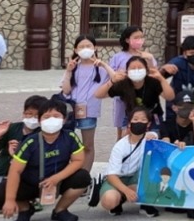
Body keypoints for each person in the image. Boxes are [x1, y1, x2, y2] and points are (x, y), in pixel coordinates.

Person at [0, 99, 92, 221]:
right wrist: (10, 200)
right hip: (31, 184)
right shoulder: (30, 142)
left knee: (83, 177)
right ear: (40, 120)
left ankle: (60, 210)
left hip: (57, 182)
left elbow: (78, 160)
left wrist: (56, 178)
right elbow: (15, 171)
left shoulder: (70, 137)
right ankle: (25, 209)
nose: (51, 120)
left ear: (64, 119)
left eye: (56, 116)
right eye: (46, 117)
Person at [60, 35, 116, 170]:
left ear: (95, 48)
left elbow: (116, 78)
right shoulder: (73, 68)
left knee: (88, 146)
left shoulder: (101, 69)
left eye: (88, 46)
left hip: (89, 111)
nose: (85, 49)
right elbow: (66, 91)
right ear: (75, 49)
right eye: (81, 46)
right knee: (66, 143)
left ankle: (84, 177)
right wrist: (68, 71)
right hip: (70, 111)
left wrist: (103, 63)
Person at [98, 106, 159, 217]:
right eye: (135, 119)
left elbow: (161, 141)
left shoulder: (150, 140)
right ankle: (119, 198)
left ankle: (145, 205)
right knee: (109, 201)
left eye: (143, 120)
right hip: (117, 178)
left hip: (135, 177)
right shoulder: (120, 146)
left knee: (153, 185)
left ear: (149, 124)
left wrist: (155, 135)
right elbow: (111, 175)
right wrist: (126, 190)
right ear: (129, 124)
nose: (139, 122)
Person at [0, 95, 47, 195]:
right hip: (3, 174)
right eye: (29, 114)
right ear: (23, 114)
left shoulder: (44, 132)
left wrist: (18, 154)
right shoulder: (12, 128)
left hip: (29, 175)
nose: (32, 118)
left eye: (37, 116)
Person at [96, 55, 174, 131]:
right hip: (132, 118)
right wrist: (112, 81)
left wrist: (161, 79)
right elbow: (98, 95)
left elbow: (170, 96)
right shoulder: (124, 84)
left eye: (140, 68)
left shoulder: (152, 81)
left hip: (153, 116)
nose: (136, 70)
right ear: (127, 71)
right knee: (126, 138)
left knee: (153, 138)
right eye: (133, 68)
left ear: (146, 70)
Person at [107, 26, 157, 139]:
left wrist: (149, 60)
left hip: (143, 97)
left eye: (141, 37)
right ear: (127, 39)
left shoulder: (147, 56)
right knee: (122, 131)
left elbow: (154, 75)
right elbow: (110, 75)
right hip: (122, 98)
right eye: (136, 37)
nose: (139, 40)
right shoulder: (118, 57)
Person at [161, 35, 194, 119]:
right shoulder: (177, 63)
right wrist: (163, 69)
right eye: (192, 53)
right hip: (176, 105)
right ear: (184, 53)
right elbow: (160, 77)